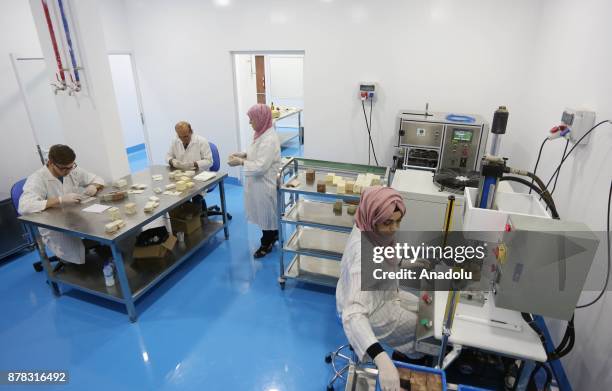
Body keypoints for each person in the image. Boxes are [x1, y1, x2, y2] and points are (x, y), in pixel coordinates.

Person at [336, 186, 420, 391]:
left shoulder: (367, 225)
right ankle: (409, 366)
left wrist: (405, 262)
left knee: (424, 308)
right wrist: (381, 359)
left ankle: (403, 356)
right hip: (367, 310)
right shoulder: (362, 257)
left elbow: (385, 253)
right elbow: (354, 313)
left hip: (379, 292)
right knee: (424, 331)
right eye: (388, 222)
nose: (394, 228)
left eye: (398, 221)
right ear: (373, 217)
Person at [18, 144, 105, 265]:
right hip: (54, 225)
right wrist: (59, 200)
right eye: (64, 168)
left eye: (71, 166)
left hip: (75, 216)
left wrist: (94, 186)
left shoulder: (71, 169)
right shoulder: (37, 179)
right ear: (51, 162)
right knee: (74, 258)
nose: (68, 171)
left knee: (104, 227)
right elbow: (24, 206)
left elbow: (97, 179)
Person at [228, 104, 281, 258]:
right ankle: (274, 234)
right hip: (259, 183)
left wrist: (240, 162)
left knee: (265, 214)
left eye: (252, 119)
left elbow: (261, 166)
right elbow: (257, 154)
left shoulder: (269, 139)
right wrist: (244, 154)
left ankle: (266, 243)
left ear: (260, 119)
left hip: (264, 183)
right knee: (266, 213)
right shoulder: (262, 134)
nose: (250, 122)